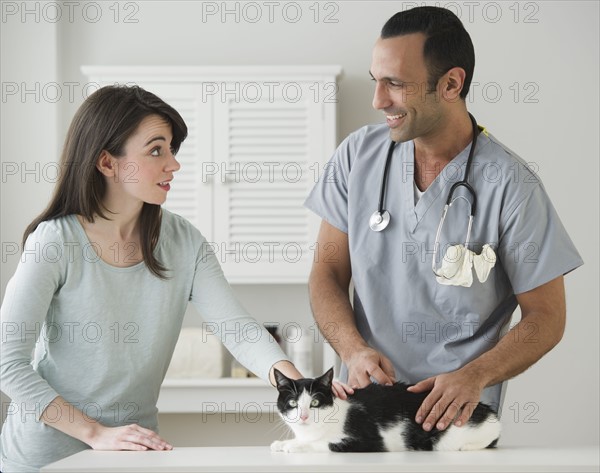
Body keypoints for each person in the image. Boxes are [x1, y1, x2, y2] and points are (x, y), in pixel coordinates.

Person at [305, 6, 583, 434]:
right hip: (359, 417)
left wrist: (474, 376)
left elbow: (546, 317)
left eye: (395, 84)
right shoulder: (356, 157)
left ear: (451, 83)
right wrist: (352, 350)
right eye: (377, 79)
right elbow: (327, 271)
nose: (378, 100)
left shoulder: (511, 186)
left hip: (454, 426)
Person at [0, 85, 304, 472]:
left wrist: (304, 388)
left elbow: (239, 331)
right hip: (46, 457)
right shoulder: (55, 242)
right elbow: (6, 362)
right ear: (107, 163)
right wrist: (95, 433)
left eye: (172, 149)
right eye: (156, 150)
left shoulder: (183, 241)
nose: (173, 165)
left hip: (136, 451)